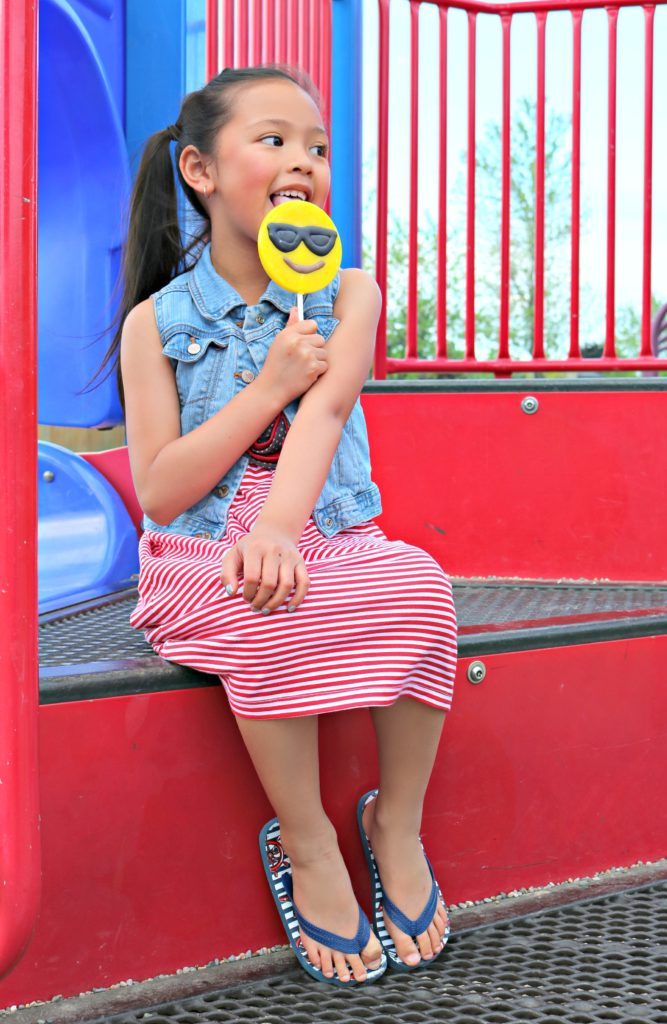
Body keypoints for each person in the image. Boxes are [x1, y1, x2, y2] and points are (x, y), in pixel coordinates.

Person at [113, 64, 457, 987]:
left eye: (317, 148)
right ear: (200, 171)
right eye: (273, 141)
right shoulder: (158, 324)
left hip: (324, 533)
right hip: (200, 551)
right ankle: (309, 844)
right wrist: (266, 384)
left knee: (420, 586)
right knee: (263, 601)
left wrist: (282, 525)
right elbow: (159, 487)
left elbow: (328, 417)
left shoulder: (349, 295)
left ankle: (397, 822)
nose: (303, 161)